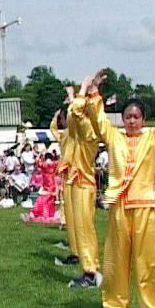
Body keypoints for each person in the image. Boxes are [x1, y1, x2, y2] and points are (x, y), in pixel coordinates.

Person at [78, 68, 155, 308]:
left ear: (143, 119)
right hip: (120, 206)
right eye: (128, 117)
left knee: (147, 262)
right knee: (116, 262)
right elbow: (98, 120)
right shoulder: (114, 137)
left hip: (145, 206)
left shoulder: (151, 138)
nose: (132, 121)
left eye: (136, 117)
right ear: (122, 119)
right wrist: (94, 91)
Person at [63, 80, 103, 287]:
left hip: (84, 184)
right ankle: (89, 269)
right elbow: (73, 117)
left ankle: (91, 272)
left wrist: (83, 90)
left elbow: (76, 113)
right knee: (81, 227)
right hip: (79, 182)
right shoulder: (82, 132)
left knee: (85, 228)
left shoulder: (89, 132)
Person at [51, 106, 80, 264]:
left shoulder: (75, 133)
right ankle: (74, 249)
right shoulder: (66, 134)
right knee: (70, 213)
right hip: (69, 175)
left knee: (76, 215)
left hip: (76, 176)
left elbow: (54, 129)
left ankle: (78, 251)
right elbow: (53, 130)